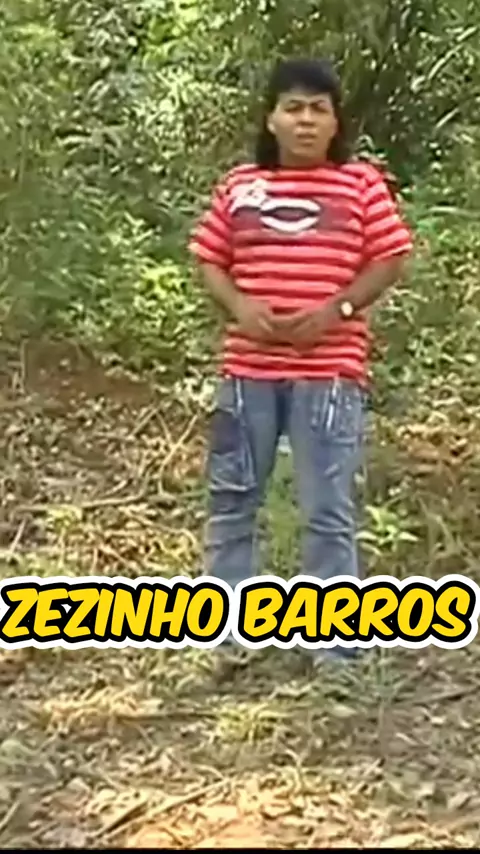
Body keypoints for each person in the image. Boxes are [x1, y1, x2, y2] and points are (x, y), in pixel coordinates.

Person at [188, 57, 413, 664]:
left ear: (336, 123)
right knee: (233, 499)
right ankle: (227, 638)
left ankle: (335, 649)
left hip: (330, 373)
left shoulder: (360, 184)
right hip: (247, 372)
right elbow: (209, 257)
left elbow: (391, 257)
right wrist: (239, 305)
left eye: (318, 109)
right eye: (293, 108)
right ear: (272, 119)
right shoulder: (240, 185)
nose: (306, 120)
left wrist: (338, 310)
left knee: (327, 507)